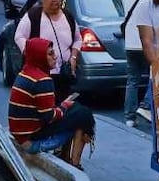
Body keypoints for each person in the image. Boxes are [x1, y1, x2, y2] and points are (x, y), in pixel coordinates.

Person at [9, 37, 96, 169]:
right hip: (32, 142)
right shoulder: (42, 80)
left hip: (22, 135)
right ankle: (75, 164)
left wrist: (63, 107)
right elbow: (48, 116)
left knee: (77, 109)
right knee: (83, 116)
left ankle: (67, 157)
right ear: (39, 57)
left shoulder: (25, 73)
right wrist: (63, 107)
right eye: (50, 54)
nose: (55, 57)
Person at [14, 0, 82, 102]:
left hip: (63, 75)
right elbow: (19, 37)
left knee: (63, 108)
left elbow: (77, 39)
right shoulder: (33, 16)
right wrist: (33, 55)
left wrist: (73, 57)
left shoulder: (68, 16)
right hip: (40, 77)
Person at [121, 0, 153, 127]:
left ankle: (129, 117)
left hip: (130, 45)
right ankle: (146, 106)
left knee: (132, 81)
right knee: (153, 78)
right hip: (147, 43)